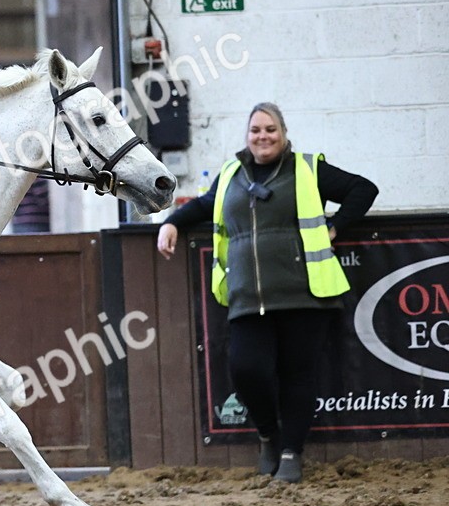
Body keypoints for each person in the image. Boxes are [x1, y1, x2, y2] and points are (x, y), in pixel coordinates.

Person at [156, 103, 378, 483]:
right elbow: (203, 206)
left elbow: (363, 189)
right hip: (247, 298)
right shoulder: (230, 174)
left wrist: (337, 226)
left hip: (306, 295)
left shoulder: (308, 169)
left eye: (270, 129)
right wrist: (171, 222)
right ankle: (268, 436)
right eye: (256, 130)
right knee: (246, 370)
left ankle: (291, 452)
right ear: (247, 136)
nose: (263, 136)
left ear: (284, 133)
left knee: (298, 376)